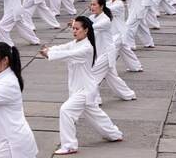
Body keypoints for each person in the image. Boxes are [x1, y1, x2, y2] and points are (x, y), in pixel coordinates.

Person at [40, 16, 123, 155]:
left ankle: (70, 145)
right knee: (95, 114)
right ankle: (114, 134)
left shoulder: (86, 48)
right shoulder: (76, 43)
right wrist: (50, 49)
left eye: (77, 28)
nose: (74, 31)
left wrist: (50, 53)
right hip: (78, 88)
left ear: (86, 30)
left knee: (66, 110)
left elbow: (68, 54)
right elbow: (64, 47)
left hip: (85, 89)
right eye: (73, 28)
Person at [89, 0, 136, 101]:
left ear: (101, 6)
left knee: (92, 75)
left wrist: (79, 25)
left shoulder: (105, 19)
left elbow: (91, 27)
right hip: (99, 53)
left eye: (94, 4)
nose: (91, 7)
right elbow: (86, 28)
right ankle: (128, 94)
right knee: (113, 78)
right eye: (91, 4)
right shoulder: (92, 18)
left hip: (106, 53)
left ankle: (95, 100)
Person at [106, 0, 143, 72]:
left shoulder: (119, 4)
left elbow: (106, 10)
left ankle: (106, 70)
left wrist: (96, 6)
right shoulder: (110, 2)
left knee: (111, 51)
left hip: (119, 32)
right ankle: (135, 66)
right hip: (113, 31)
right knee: (126, 51)